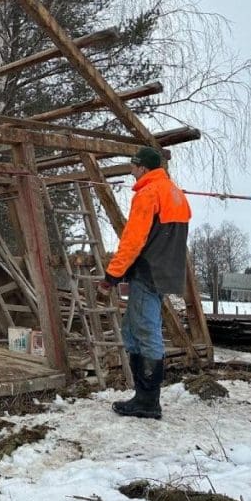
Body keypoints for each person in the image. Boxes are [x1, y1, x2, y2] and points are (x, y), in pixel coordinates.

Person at [98, 145, 191, 419]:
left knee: (147, 334)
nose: (131, 170)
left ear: (143, 168)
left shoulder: (148, 193)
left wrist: (111, 277)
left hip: (147, 272)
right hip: (166, 272)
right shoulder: (176, 194)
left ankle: (148, 401)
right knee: (132, 331)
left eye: (134, 165)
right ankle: (143, 396)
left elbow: (133, 240)